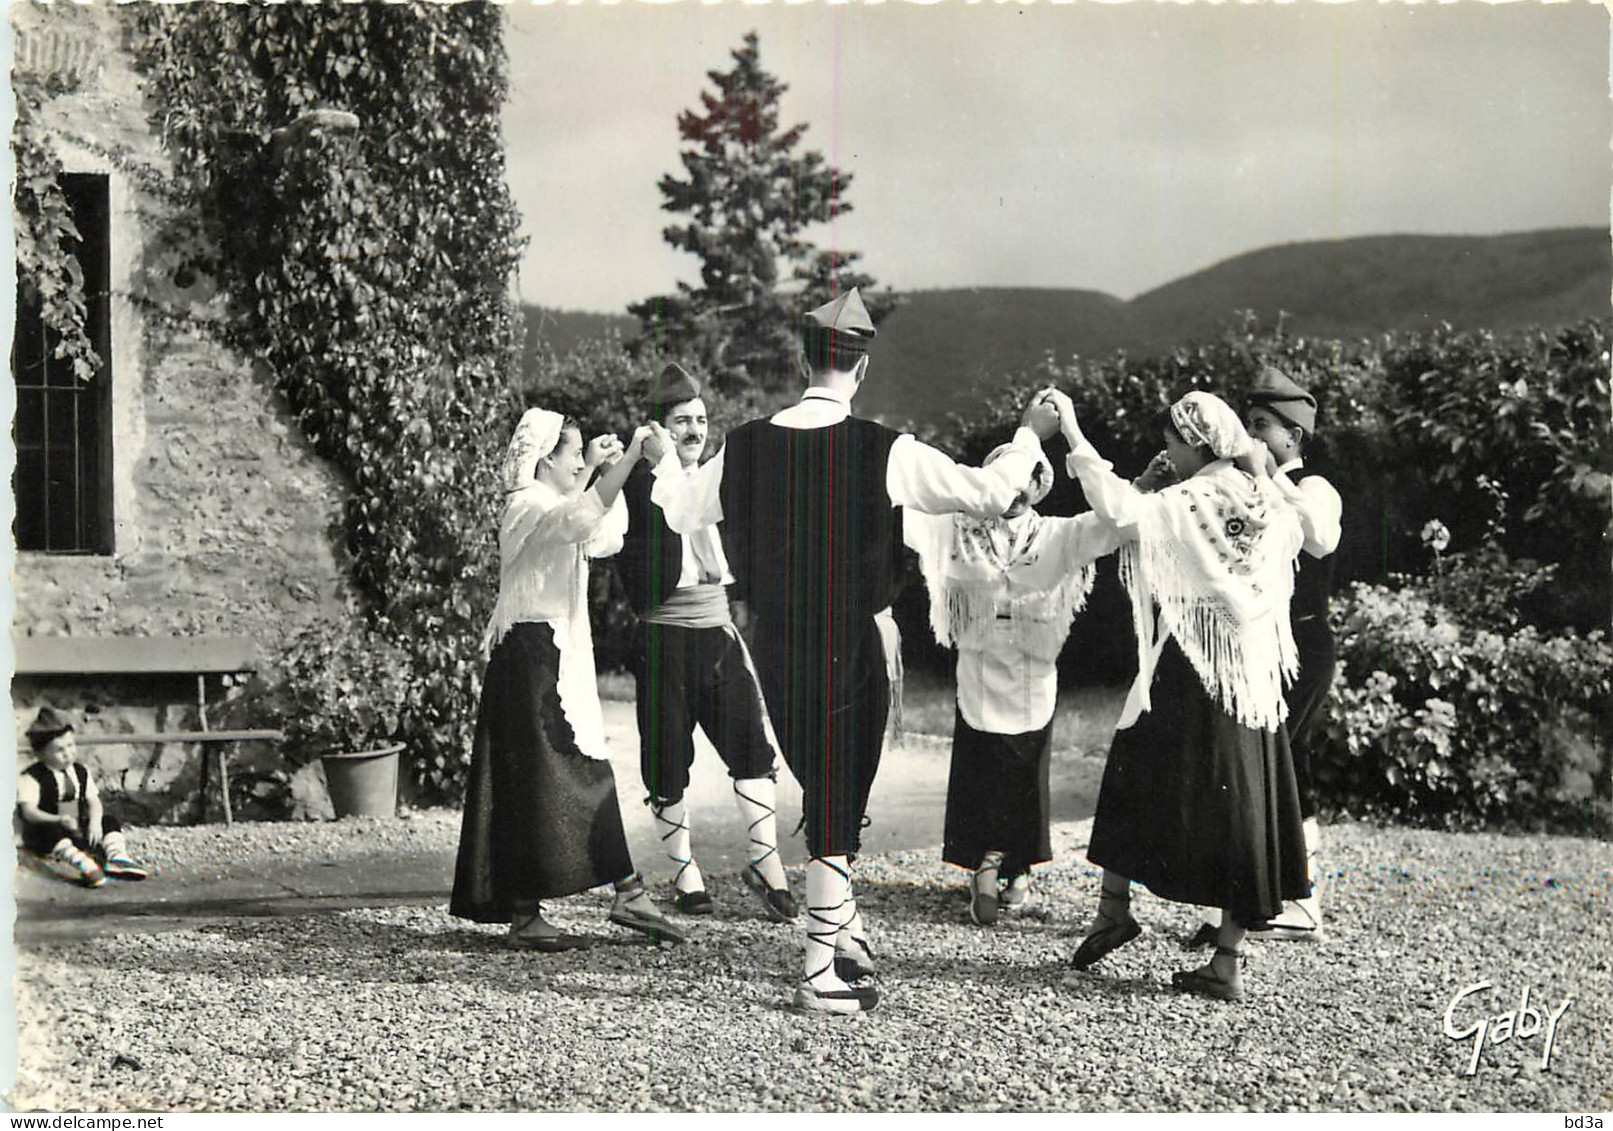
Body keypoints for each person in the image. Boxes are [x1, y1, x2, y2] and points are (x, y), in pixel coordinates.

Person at [647, 289, 1058, 1014]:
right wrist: (1027, 433)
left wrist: (661, 458)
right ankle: (816, 969)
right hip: (851, 638)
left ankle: (841, 933)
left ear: (805, 358)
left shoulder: (742, 443)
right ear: (860, 367)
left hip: (771, 641)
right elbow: (995, 493)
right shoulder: (887, 448)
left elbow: (678, 509)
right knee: (839, 794)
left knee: (823, 783)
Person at [1051, 387, 1309, 1002]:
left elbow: (1117, 512)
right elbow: (1290, 547)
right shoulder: (1261, 494)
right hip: (1249, 672)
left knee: (1133, 772)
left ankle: (1114, 908)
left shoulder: (1190, 497)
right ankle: (1226, 958)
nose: (1166, 454)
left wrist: (1077, 437)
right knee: (1243, 802)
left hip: (1195, 660)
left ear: (1195, 443)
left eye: (1170, 444)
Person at [450, 408, 686, 950]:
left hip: (547, 655)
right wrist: (621, 461)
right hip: (533, 659)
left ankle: (539, 908)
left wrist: (613, 471)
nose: (581, 460)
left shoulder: (551, 502)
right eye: (573, 452)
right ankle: (620, 890)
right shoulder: (525, 505)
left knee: (539, 780)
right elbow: (575, 522)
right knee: (565, 774)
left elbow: (602, 535)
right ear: (545, 460)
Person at [904, 435, 1121, 925]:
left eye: (1025, 482)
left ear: (1038, 485)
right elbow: (910, 515)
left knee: (1026, 767)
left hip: (1032, 668)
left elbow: (1108, 526)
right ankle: (983, 861)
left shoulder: (1055, 535)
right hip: (979, 665)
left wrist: (1142, 486)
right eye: (1005, 481)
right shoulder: (956, 529)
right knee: (981, 763)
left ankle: (1017, 866)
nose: (1015, 493)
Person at [615, 364, 796, 922]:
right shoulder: (637, 490)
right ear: (660, 430)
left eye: (700, 419)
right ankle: (685, 873)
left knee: (752, 749)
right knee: (666, 760)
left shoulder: (722, 482)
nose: (694, 430)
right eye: (680, 421)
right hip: (664, 639)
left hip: (718, 634)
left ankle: (766, 865)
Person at [1243, 366, 1341, 941]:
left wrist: (1267, 480)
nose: (1251, 437)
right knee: (1279, 761)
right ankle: (1270, 898)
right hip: (1263, 644)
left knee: (1281, 759)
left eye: (1261, 426)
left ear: (1294, 437)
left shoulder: (1314, 487)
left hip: (1304, 644)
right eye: (1248, 424)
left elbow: (1320, 537)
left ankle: (1299, 901)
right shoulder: (1252, 485)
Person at [17, 706, 150, 886]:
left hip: (76, 824)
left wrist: (95, 822)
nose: (68, 754)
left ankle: (116, 857)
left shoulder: (80, 771)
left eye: (71, 746)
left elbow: (93, 800)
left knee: (109, 821)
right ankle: (82, 864)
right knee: (50, 832)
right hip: (48, 827)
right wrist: (57, 819)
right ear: (40, 754)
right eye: (59, 750)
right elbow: (29, 811)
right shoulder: (32, 776)